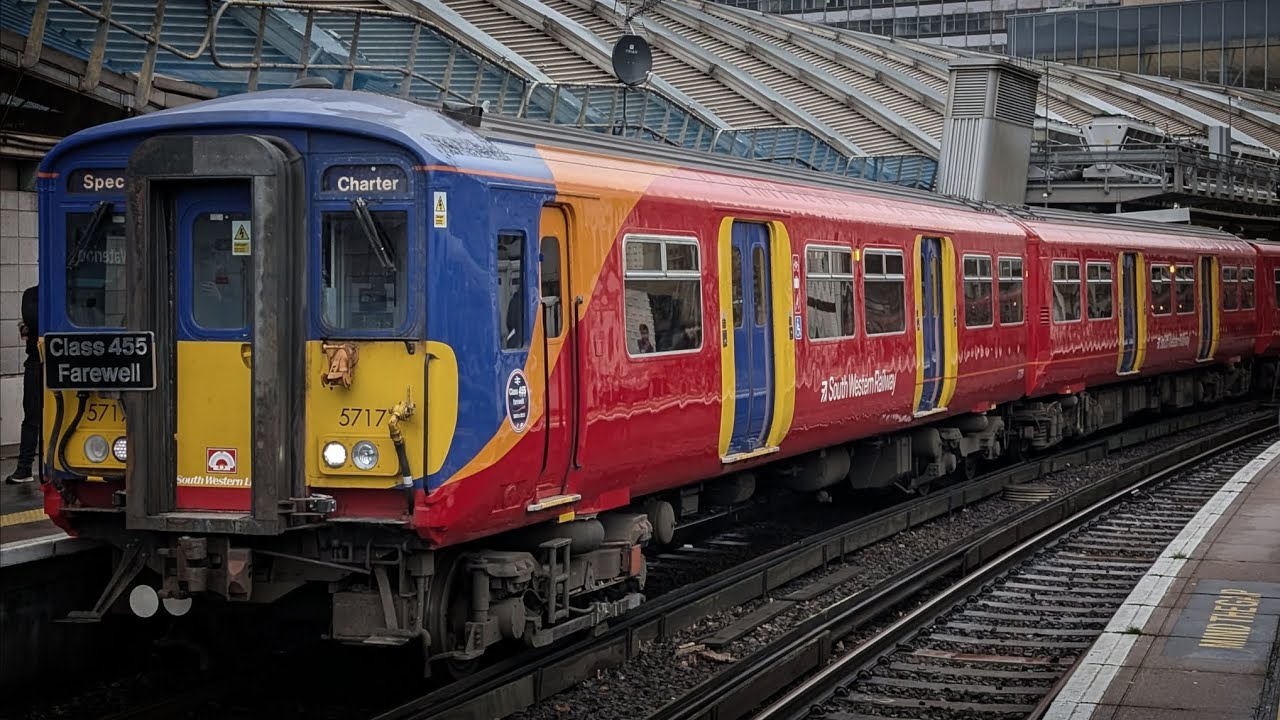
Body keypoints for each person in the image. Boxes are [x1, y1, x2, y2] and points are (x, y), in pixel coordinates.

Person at [7, 285, 40, 484]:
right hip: (43, 360)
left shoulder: (31, 295)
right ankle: (25, 467)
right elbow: (35, 320)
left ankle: (25, 467)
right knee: (33, 417)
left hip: (36, 360)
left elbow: (32, 323)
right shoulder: (32, 295)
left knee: (32, 418)